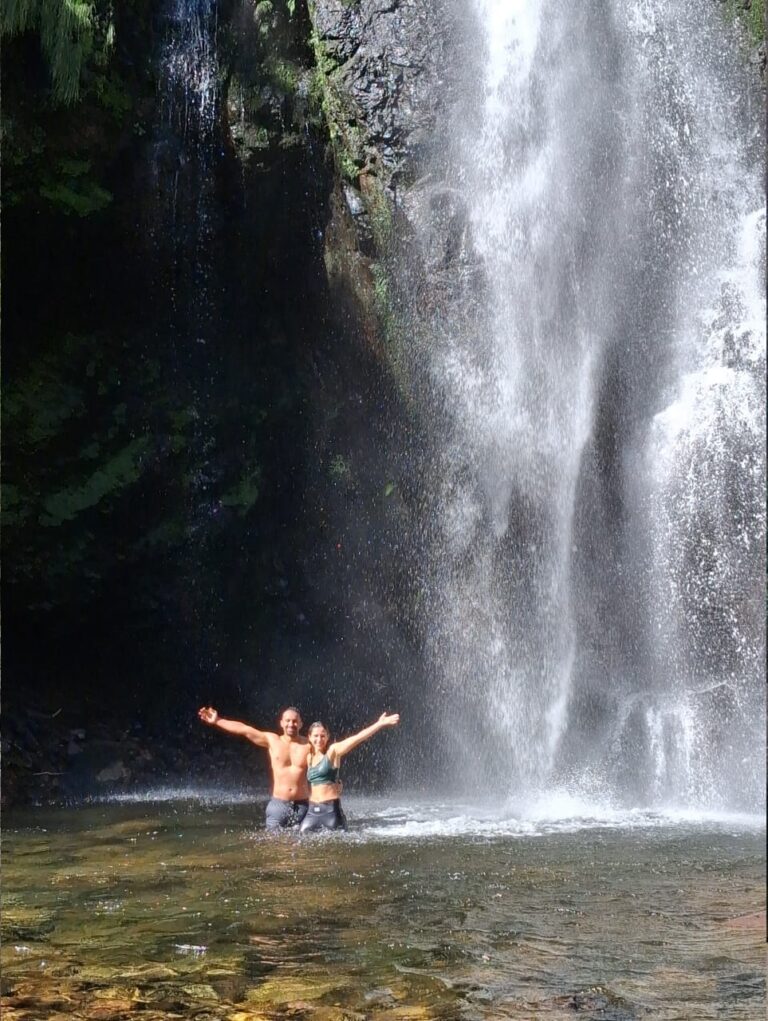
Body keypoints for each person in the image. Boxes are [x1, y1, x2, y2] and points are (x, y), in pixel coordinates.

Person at [197, 705, 323, 831]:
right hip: (279, 804)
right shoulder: (272, 740)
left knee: (305, 845)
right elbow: (244, 729)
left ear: (301, 724)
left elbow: (330, 757)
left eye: (295, 721)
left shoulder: (309, 745)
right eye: (288, 721)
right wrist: (218, 720)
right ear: (281, 723)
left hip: (303, 805)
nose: (291, 724)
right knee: (275, 844)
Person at [300, 712, 400, 832]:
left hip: (330, 811)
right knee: (302, 842)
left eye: (322, 736)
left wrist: (379, 724)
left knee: (336, 847)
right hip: (312, 810)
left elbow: (357, 738)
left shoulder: (333, 751)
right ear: (309, 737)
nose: (319, 739)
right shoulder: (309, 757)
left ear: (327, 736)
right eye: (315, 736)